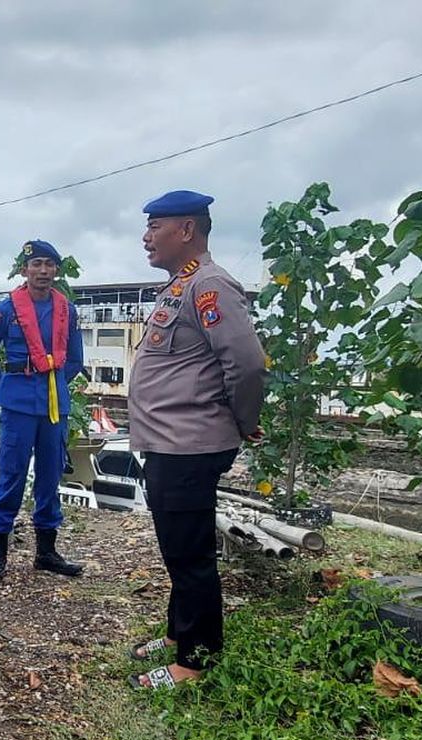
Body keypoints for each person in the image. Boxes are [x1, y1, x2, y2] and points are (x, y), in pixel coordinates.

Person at [126, 190, 266, 690]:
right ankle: (176, 633)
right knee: (178, 548)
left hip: (189, 444)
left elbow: (246, 364)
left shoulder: (209, 284)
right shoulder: (178, 286)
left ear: (186, 230)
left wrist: (242, 422)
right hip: (170, 443)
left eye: (155, 226)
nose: (146, 236)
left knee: (190, 555)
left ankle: (194, 660)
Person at [0, 240, 85, 583]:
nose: (44, 271)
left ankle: (46, 552)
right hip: (18, 404)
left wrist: (51, 385)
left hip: (54, 404)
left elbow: (76, 361)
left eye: (50, 265)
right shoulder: (5, 311)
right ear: (25, 269)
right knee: (11, 475)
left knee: (51, 477)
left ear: (56, 270)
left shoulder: (67, 309)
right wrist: (10, 388)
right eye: (36, 264)